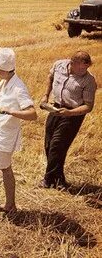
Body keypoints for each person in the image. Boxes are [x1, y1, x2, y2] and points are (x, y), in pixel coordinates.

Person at [0, 48, 37, 220]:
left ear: (5, 69)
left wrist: (11, 112)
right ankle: (10, 205)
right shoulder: (2, 84)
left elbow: (32, 114)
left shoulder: (18, 88)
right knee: (6, 170)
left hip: (4, 137)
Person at [39, 51, 97, 189]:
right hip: (55, 109)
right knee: (49, 145)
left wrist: (70, 113)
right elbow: (50, 77)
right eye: (82, 68)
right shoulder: (59, 65)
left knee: (57, 146)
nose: (84, 70)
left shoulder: (88, 80)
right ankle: (59, 180)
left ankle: (47, 180)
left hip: (73, 116)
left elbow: (88, 106)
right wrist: (45, 95)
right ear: (72, 63)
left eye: (86, 67)